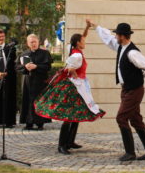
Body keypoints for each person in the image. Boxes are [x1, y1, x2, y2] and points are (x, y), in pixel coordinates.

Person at [89, 19, 145, 162]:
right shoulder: (121, 47)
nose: (115, 37)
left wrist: (137, 78)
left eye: (117, 35)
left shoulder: (132, 52)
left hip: (134, 90)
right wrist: (96, 26)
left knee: (121, 118)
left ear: (123, 36)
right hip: (127, 90)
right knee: (136, 120)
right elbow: (107, 38)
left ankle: (130, 152)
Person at [34, 20, 105, 154]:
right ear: (78, 43)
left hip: (77, 86)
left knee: (76, 114)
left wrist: (87, 27)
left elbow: (81, 38)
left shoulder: (72, 48)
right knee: (69, 116)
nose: (84, 42)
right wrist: (75, 75)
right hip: (73, 87)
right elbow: (70, 67)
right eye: (82, 41)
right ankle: (62, 145)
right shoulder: (77, 55)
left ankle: (70, 141)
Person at [16, 34, 52, 131]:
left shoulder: (45, 53)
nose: (33, 44)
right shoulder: (24, 54)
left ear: (38, 42)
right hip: (27, 81)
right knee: (27, 101)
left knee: (40, 101)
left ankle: (40, 122)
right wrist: (25, 67)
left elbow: (48, 67)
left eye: (35, 42)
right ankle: (28, 123)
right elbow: (17, 67)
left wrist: (36, 67)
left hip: (40, 81)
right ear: (28, 43)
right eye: (31, 42)